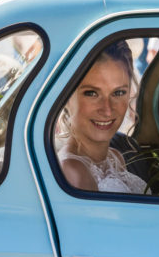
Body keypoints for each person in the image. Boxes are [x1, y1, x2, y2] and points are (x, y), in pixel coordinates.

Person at [56, 40, 147, 194]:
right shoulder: (74, 174)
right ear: (65, 97)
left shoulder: (115, 157)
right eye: (92, 93)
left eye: (118, 93)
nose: (107, 110)